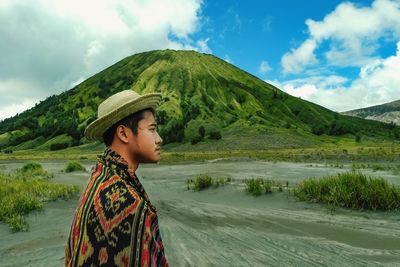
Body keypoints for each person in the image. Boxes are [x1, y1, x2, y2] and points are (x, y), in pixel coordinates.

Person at [65, 89, 169, 267]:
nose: (159, 139)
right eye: (152, 130)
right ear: (123, 134)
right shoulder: (126, 203)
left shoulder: (100, 177)